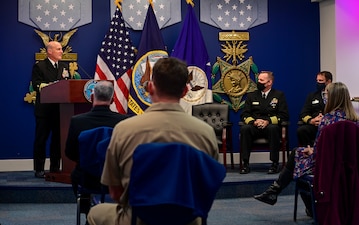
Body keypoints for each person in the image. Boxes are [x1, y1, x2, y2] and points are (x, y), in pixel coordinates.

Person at [86, 57, 219, 225]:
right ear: (185, 91)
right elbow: (206, 189)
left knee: (95, 213)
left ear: (149, 87)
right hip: (188, 220)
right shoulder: (206, 133)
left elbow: (115, 192)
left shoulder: (124, 130)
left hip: (137, 218)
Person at [254, 82, 359, 217]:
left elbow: (322, 151)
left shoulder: (327, 120)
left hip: (325, 167)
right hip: (349, 167)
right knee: (297, 154)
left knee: (297, 161)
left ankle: (305, 204)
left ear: (333, 97)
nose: (324, 96)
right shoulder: (354, 120)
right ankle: (274, 192)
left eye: (326, 93)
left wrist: (312, 152)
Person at [65, 80, 129, 199]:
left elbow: (70, 153)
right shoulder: (123, 122)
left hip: (86, 179)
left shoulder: (77, 121)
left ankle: (86, 209)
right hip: (114, 179)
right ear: (113, 100)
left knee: (75, 174)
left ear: (92, 96)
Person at [31, 41, 70, 178]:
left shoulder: (64, 67)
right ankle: (39, 169)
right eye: (58, 49)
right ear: (49, 51)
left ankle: (55, 167)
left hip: (60, 111)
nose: (61, 51)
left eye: (61, 49)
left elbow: (68, 85)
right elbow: (36, 85)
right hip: (44, 111)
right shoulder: (40, 66)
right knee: (41, 140)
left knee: (57, 141)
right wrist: (51, 86)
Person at [240, 71, 289, 174]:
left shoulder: (278, 95)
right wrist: (254, 121)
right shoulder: (251, 95)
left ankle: (274, 163)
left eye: (261, 80)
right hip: (255, 126)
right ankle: (245, 164)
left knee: (274, 128)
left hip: (269, 126)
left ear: (269, 82)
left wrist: (268, 121)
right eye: (258, 80)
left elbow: (283, 115)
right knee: (245, 129)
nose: (259, 82)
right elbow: (245, 114)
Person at [297, 71, 332, 146]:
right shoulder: (312, 96)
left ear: (329, 82)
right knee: (302, 130)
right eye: (317, 80)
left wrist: (325, 119)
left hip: (330, 125)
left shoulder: (335, 95)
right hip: (315, 125)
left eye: (321, 81)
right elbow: (303, 113)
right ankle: (309, 154)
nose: (318, 83)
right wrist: (311, 120)